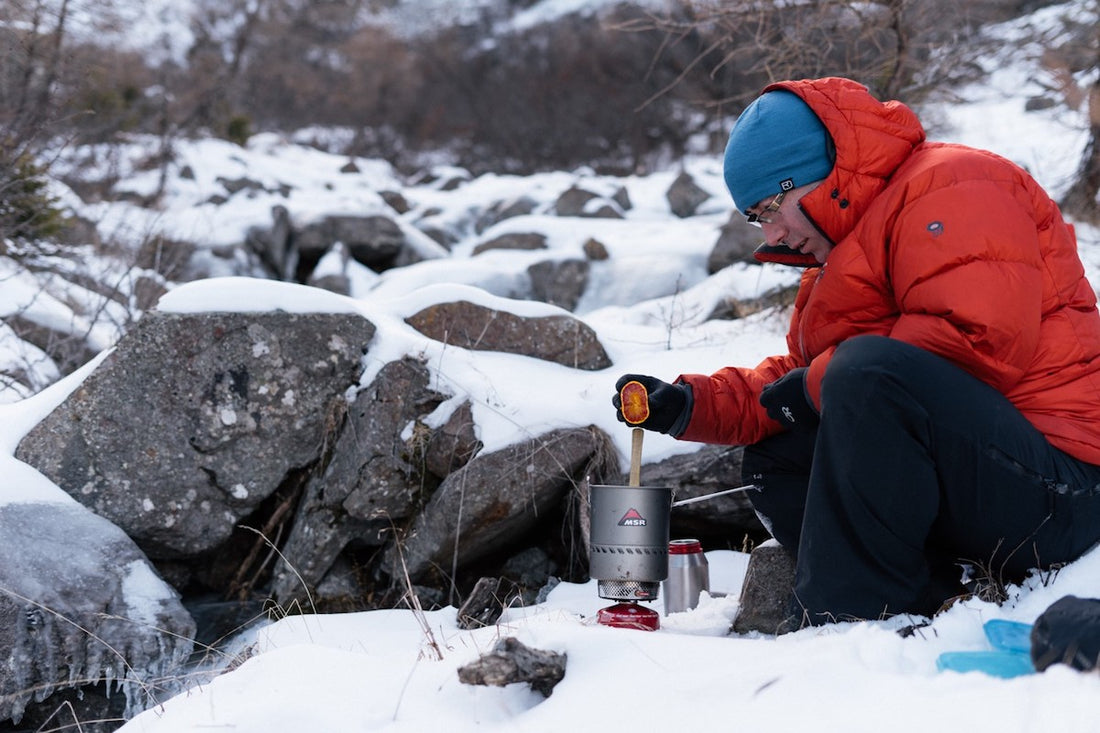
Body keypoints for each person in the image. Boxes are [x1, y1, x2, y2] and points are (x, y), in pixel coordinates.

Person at [612, 77, 1100, 628]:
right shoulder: (852, 243)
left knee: (862, 376)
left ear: (820, 176)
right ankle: (926, 598)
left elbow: (977, 339)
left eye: (773, 206)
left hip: (1064, 488)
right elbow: (803, 380)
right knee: (779, 451)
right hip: (990, 475)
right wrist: (692, 403)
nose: (772, 233)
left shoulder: (955, 184)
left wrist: (820, 383)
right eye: (755, 218)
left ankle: (851, 618)